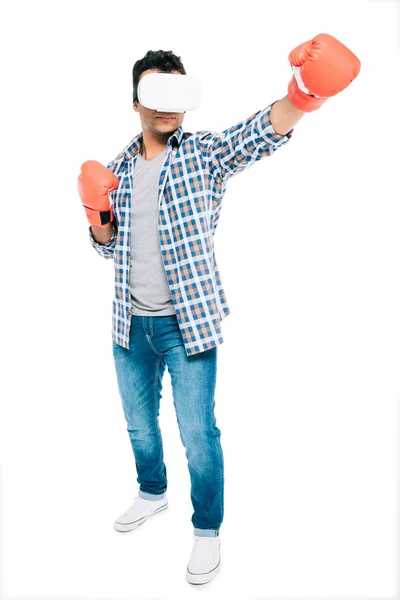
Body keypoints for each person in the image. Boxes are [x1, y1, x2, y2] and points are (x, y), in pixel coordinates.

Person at [78, 38, 360, 585]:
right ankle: (152, 492)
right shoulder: (115, 169)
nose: (165, 104)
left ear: (186, 101)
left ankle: (206, 531)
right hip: (128, 324)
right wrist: (95, 213)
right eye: (153, 93)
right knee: (139, 426)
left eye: (175, 93)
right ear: (135, 102)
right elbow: (108, 248)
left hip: (188, 325)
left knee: (197, 432)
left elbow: (258, 133)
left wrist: (303, 95)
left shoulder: (204, 153)